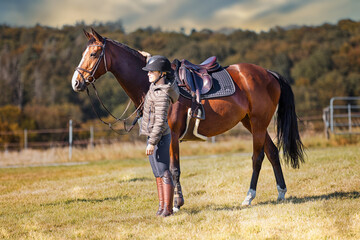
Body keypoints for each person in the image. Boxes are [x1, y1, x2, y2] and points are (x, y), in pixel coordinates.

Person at [140, 55, 179, 217]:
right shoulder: (154, 88)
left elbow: (160, 122)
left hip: (160, 138)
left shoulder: (162, 94)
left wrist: (152, 142)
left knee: (164, 172)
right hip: (153, 137)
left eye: (151, 71)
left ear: (162, 74)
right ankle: (161, 207)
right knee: (157, 173)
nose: (148, 74)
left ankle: (168, 210)